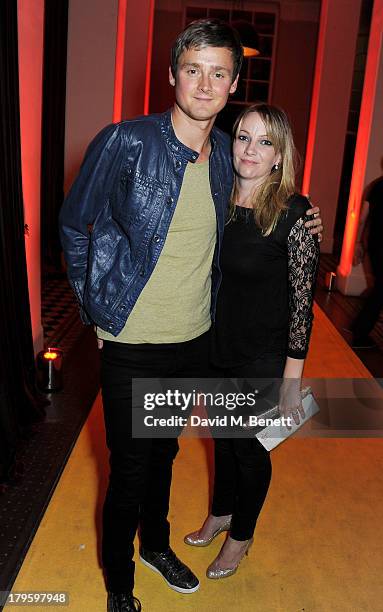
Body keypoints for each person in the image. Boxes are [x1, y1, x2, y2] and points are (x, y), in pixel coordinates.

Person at [59, 20, 322, 612]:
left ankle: (156, 545)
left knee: (164, 454)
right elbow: (75, 225)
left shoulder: (229, 159)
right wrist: (94, 306)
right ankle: (119, 585)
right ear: (173, 74)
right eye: (193, 69)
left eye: (219, 72)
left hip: (194, 340)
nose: (205, 84)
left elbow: (268, 202)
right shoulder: (125, 141)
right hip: (131, 337)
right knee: (127, 468)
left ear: (233, 84)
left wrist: (307, 221)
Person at [184, 103, 320, 580]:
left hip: (263, 356)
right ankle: (221, 511)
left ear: (280, 154)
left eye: (265, 142)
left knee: (249, 449)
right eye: (243, 137)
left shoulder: (296, 214)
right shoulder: (216, 197)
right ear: (230, 142)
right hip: (216, 344)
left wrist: (290, 381)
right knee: (221, 439)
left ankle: (241, 535)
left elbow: (302, 306)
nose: (251, 149)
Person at [351, 175, 383, 348]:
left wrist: (357, 243)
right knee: (380, 291)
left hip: (375, 245)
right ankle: (360, 333)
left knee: (379, 289)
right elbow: (363, 217)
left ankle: (358, 327)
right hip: (379, 246)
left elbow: (362, 217)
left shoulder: (376, 186)